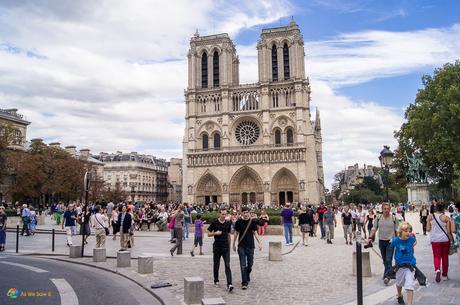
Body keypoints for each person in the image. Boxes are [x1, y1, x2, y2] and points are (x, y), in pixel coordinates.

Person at [368, 202, 399, 285]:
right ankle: (389, 272)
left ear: (390, 209)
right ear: (382, 209)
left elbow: (397, 230)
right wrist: (370, 237)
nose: (386, 210)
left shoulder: (393, 218)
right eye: (384, 209)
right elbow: (374, 228)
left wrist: (399, 241)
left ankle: (387, 277)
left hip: (391, 241)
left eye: (388, 209)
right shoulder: (378, 217)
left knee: (389, 259)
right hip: (381, 241)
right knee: (385, 260)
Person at [233, 207, 261, 290]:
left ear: (249, 213)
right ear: (241, 213)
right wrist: (233, 244)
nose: (245, 214)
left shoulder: (252, 222)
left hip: (250, 246)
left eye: (247, 212)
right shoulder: (238, 222)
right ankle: (244, 282)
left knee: (250, 264)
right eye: (244, 212)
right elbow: (236, 233)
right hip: (241, 246)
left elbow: (255, 233)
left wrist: (259, 243)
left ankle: (247, 274)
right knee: (242, 265)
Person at [390, 222, 417, 305]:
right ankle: (399, 294)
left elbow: (415, 242)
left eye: (409, 231)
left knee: (410, 286)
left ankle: (409, 304)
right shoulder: (396, 240)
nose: (408, 233)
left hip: (410, 266)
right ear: (400, 232)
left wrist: (412, 246)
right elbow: (390, 246)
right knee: (399, 283)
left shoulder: (411, 239)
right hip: (399, 266)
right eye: (406, 231)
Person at [208, 208, 233, 292]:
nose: (224, 216)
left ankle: (229, 284)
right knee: (216, 264)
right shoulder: (214, 222)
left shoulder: (228, 223)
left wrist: (230, 246)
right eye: (222, 214)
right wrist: (215, 233)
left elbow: (229, 235)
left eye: (225, 214)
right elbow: (208, 234)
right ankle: (216, 280)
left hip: (226, 247)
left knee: (227, 265)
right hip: (217, 246)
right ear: (219, 214)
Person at [426, 202, 453, 282]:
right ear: (443, 208)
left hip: (435, 240)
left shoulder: (430, 217)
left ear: (435, 208)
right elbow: (448, 231)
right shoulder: (446, 218)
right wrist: (451, 240)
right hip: (445, 239)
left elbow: (428, 229)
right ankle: (444, 275)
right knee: (445, 257)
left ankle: (437, 269)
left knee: (436, 256)